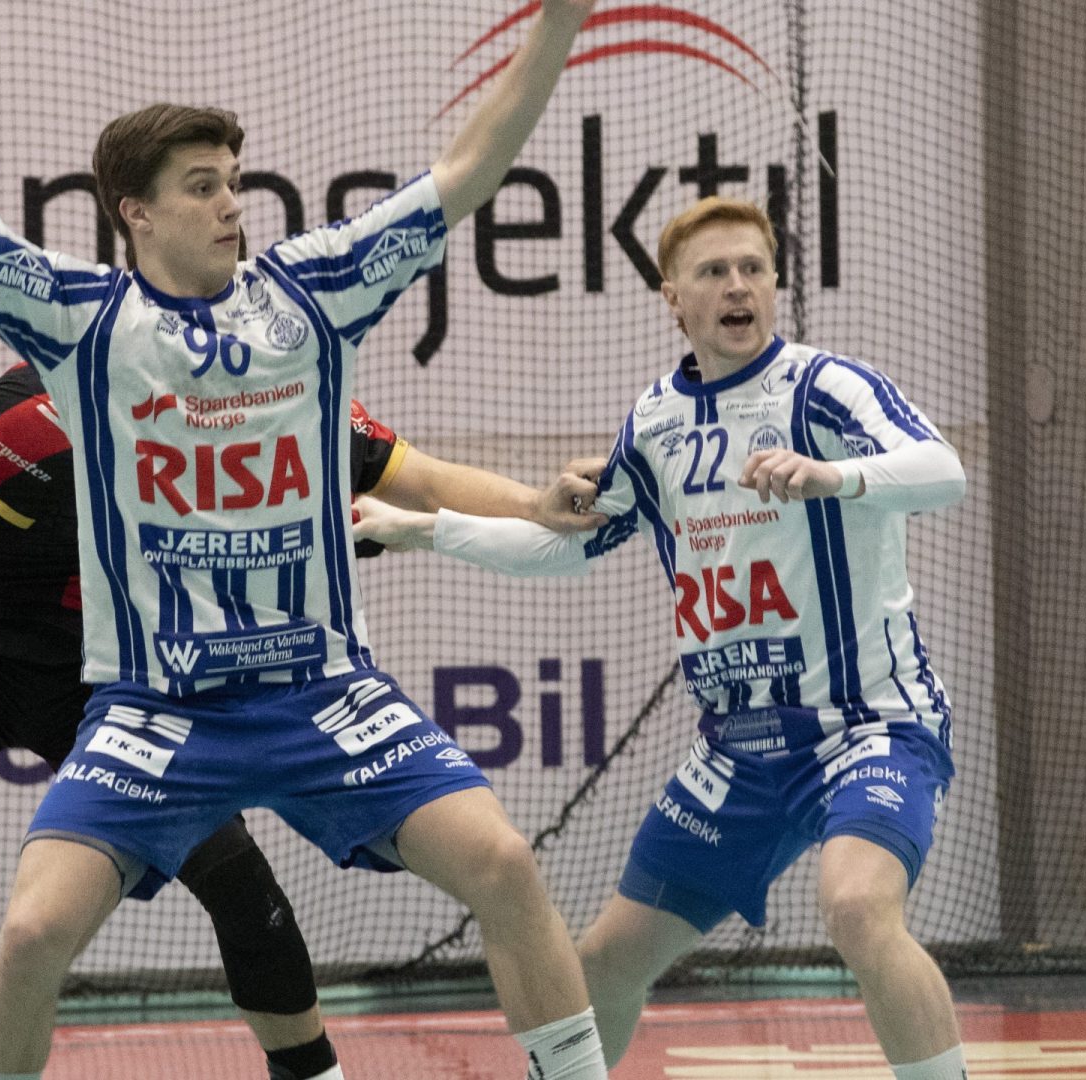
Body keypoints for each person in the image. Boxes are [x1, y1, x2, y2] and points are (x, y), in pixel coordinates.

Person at [0, 1, 610, 1076]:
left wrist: (558, 23)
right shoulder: (84, 323)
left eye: (233, 182)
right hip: (158, 708)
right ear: (136, 213)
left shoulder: (315, 292)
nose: (231, 204)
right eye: (202, 186)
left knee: (505, 864)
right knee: (31, 932)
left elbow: (468, 174)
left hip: (321, 691)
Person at [0, 363, 547, 1080]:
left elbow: (421, 482)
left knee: (233, 872)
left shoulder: (271, 397)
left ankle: (314, 1070)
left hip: (110, 665)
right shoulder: (43, 406)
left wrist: (545, 507)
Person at [352, 196, 972, 1080]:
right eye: (714, 271)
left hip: (867, 726)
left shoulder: (825, 388)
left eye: (753, 268)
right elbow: (564, 548)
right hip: (740, 751)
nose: (738, 286)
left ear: (775, 283)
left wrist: (835, 476)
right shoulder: (655, 422)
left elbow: (943, 470)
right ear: (673, 296)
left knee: (857, 909)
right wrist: (423, 529)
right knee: (604, 963)